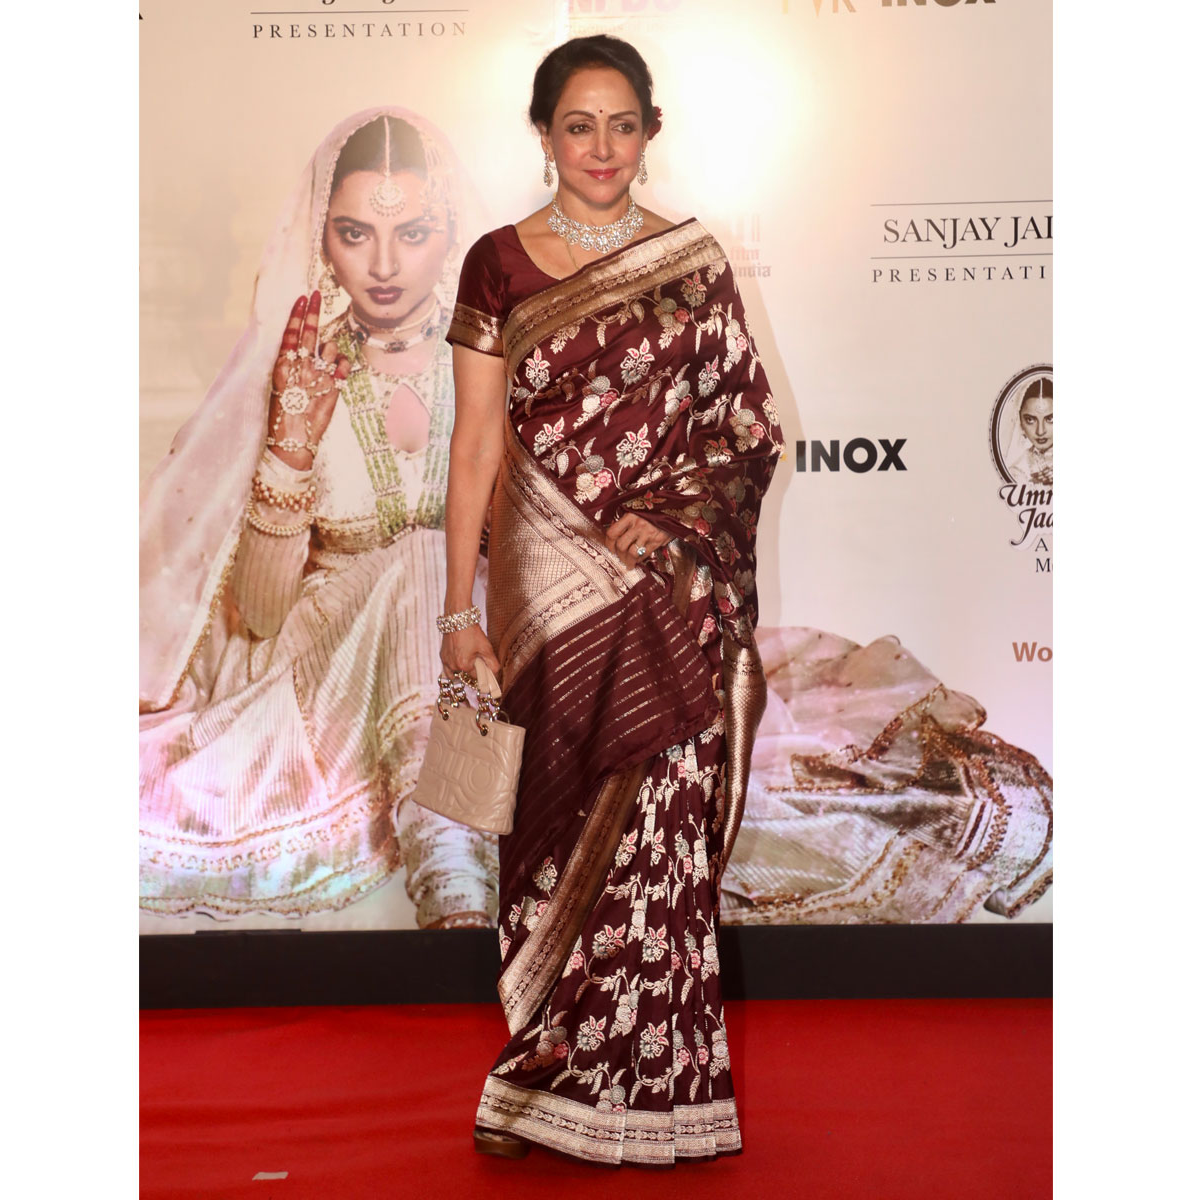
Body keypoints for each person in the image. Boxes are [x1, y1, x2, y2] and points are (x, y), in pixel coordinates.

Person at [439, 35, 775, 1165]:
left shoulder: (693, 263)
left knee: (656, 838)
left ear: (649, 132)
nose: (601, 147)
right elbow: (474, 445)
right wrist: (458, 610)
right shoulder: (496, 264)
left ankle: (653, 1093)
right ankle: (544, 1075)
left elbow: (744, 431)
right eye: (578, 125)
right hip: (542, 598)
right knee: (550, 837)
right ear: (543, 134)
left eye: (621, 125)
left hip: (660, 595)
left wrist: (674, 520)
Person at [138, 107, 498, 930]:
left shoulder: (490, 366)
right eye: (354, 233)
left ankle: (457, 855)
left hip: (477, 658)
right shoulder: (297, 368)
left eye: (412, 234)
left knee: (447, 575)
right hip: (330, 672)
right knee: (423, 560)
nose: (383, 265)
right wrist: (291, 451)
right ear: (321, 236)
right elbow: (262, 618)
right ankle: (453, 865)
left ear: (453, 234)